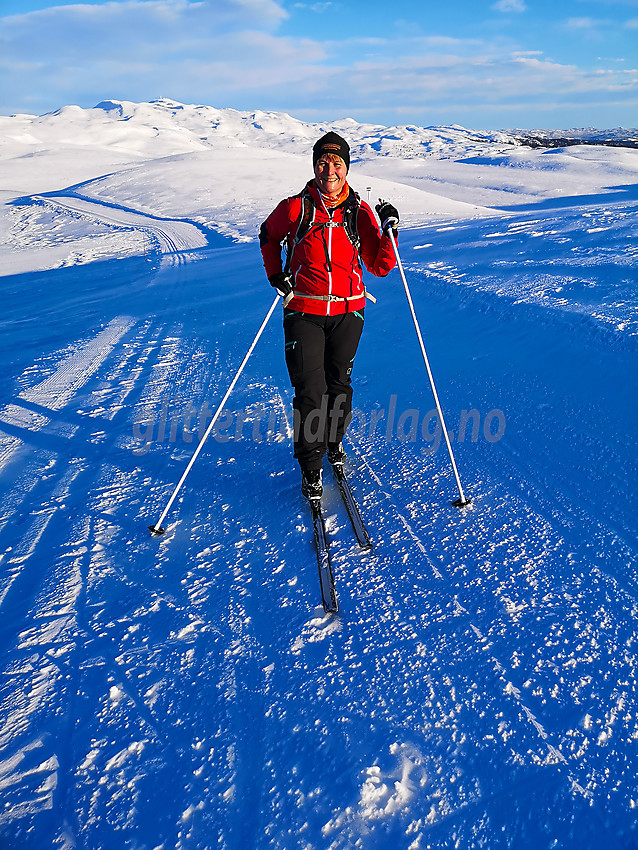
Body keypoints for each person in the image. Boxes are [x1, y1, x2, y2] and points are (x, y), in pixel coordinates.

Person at [259, 131, 399, 501]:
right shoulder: (295, 207)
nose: (330, 169)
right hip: (303, 309)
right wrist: (277, 276)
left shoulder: (359, 212)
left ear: (347, 167)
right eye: (323, 162)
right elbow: (267, 236)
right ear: (314, 166)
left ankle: (333, 443)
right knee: (310, 390)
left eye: (337, 163)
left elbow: (380, 266)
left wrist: (390, 231)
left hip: (348, 310)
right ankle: (310, 466)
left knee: (339, 385)